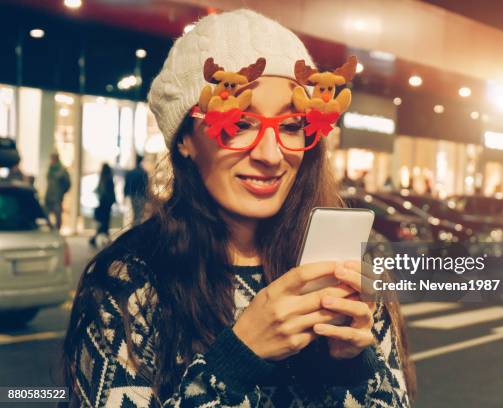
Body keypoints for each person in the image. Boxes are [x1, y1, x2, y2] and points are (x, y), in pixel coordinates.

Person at [62, 9, 415, 408]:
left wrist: (353, 366)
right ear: (185, 140)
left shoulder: (342, 274)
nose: (270, 154)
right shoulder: (128, 283)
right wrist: (235, 361)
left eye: (292, 125)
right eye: (238, 124)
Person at [89, 163, 116, 248]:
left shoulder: (103, 178)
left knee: (102, 222)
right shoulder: (109, 178)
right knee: (105, 221)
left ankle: (98, 238)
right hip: (108, 203)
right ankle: (103, 238)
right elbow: (111, 192)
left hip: (103, 202)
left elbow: (100, 190)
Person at [44, 152, 71, 229]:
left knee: (57, 213)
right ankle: (51, 227)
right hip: (49, 195)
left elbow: (68, 183)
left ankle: (57, 228)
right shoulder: (50, 168)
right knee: (46, 212)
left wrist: (62, 192)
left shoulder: (62, 170)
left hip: (57, 196)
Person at [124, 154, 149, 224]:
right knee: (139, 214)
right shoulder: (144, 172)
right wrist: (148, 197)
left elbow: (127, 184)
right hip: (141, 195)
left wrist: (125, 194)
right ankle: (137, 229)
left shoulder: (131, 172)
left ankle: (135, 228)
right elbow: (146, 186)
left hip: (133, 195)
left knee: (136, 213)